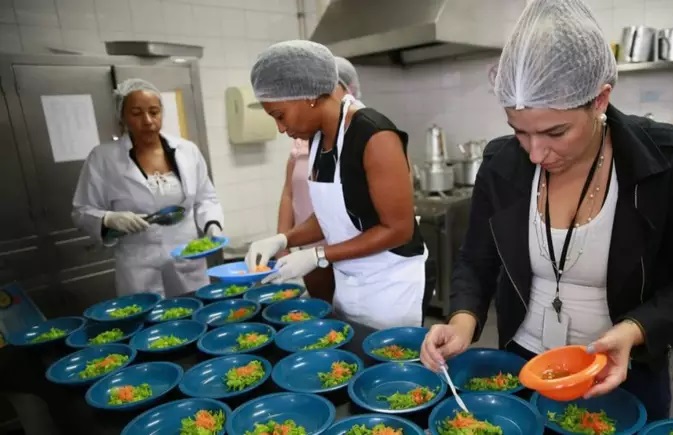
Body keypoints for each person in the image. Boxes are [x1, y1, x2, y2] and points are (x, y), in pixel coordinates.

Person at [419, 0, 673, 422]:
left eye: (555, 132)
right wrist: (462, 320)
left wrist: (633, 330)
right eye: (519, 131)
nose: (535, 153)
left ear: (600, 99)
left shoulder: (666, 160)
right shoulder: (502, 164)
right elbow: (477, 260)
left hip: (619, 370)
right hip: (522, 369)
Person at [245, 40, 427, 330]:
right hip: (348, 280)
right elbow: (335, 214)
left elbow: (399, 230)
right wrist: (284, 239)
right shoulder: (317, 139)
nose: (280, 128)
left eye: (280, 115)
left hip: (389, 287)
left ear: (308, 96)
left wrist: (319, 255)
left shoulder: (374, 135)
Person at [72, 78, 224, 298]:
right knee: (150, 325)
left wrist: (212, 225)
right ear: (122, 117)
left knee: (194, 316)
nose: (148, 121)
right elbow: (81, 211)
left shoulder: (187, 151)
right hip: (139, 269)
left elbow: (206, 198)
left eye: (154, 112)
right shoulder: (103, 158)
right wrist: (107, 219)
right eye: (136, 113)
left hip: (187, 261)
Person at [275, 56, 364, 303]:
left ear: (349, 89)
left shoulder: (366, 133)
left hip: (355, 247)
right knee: (323, 313)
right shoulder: (305, 140)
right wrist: (282, 239)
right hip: (309, 241)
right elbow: (288, 192)